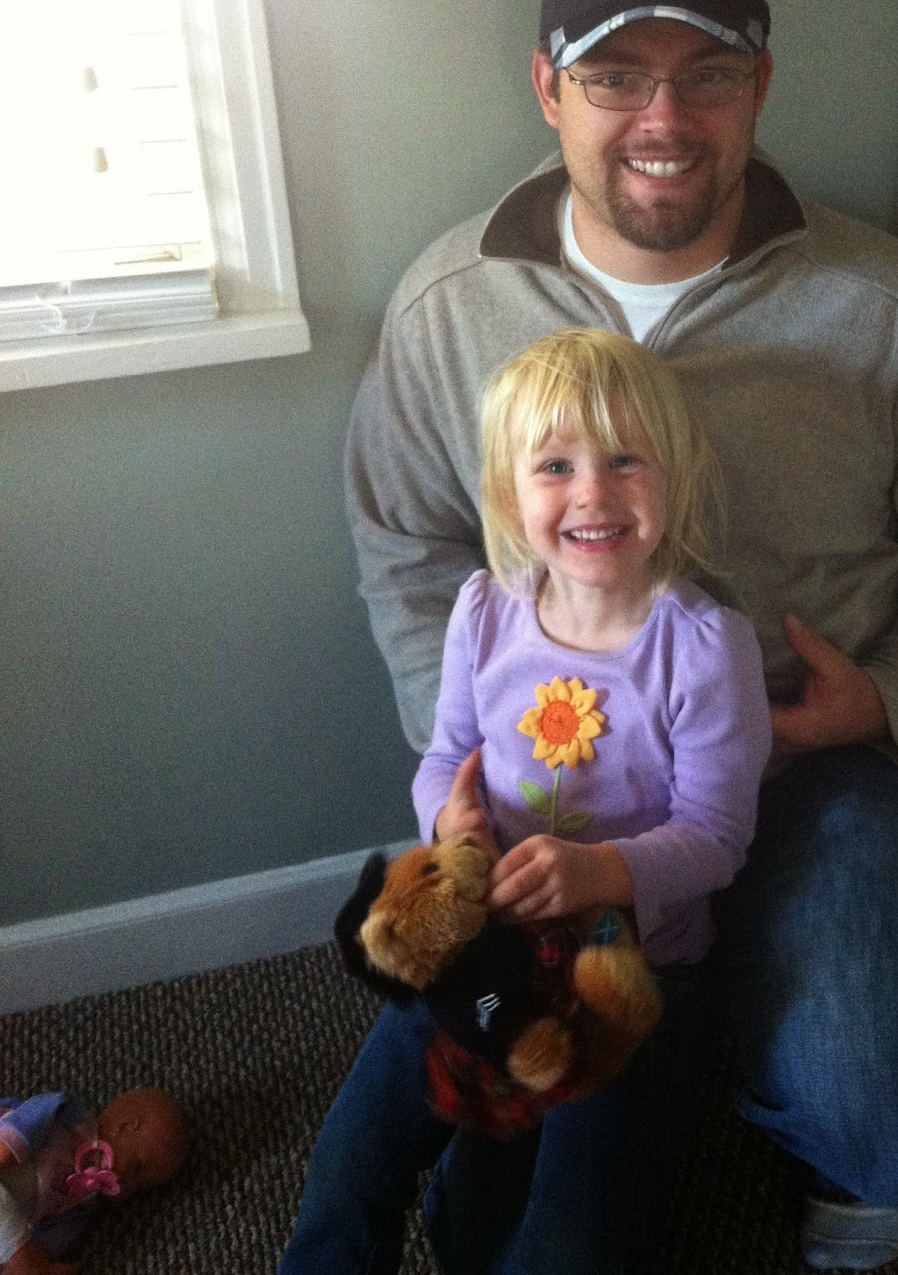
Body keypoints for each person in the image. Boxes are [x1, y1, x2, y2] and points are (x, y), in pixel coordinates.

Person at [337, 0, 898, 1271]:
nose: (663, 118)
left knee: (891, 1133)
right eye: (616, 74)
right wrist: (462, 757)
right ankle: (673, 1043)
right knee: (483, 1163)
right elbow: (404, 541)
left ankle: (778, 1061)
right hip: (558, 781)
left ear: (760, 85)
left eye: (708, 73)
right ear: (549, 89)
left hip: (814, 761)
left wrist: (884, 701)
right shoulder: (449, 308)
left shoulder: (890, 308)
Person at [282, 327, 773, 1273]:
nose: (592, 493)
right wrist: (448, 821)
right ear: (510, 495)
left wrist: (599, 871)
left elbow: (718, 837)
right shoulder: (485, 612)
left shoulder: (705, 648)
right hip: (480, 951)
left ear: (675, 477)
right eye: (555, 466)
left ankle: (498, 1156)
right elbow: (446, 756)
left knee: (564, 1242)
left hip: (624, 987)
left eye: (625, 460)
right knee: (351, 1161)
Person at [0, 1087, 189, 1275]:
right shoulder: (72, 1121)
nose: (130, 1184)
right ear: (125, 1126)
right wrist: (9, 1147)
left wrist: (43, 1258)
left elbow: (55, 1236)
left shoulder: (83, 1205)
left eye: (141, 1186)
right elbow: (34, 1114)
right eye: (136, 1168)